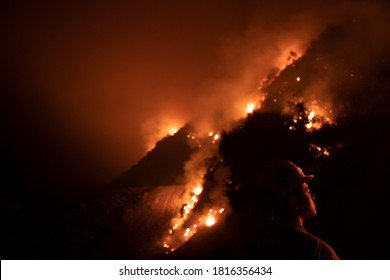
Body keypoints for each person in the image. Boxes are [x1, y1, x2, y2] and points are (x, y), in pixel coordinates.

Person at [243, 160, 339, 260]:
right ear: (294, 202)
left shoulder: (252, 244)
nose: (313, 196)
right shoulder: (317, 251)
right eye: (307, 192)